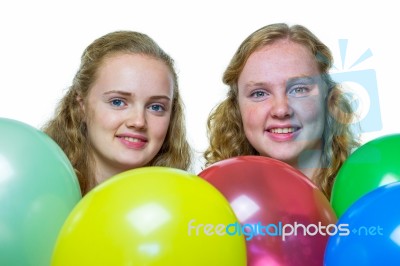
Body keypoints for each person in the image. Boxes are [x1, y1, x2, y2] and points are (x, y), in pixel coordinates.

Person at [204, 23, 359, 198]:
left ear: (328, 98)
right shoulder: (212, 198)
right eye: (259, 93)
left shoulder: (367, 189)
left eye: (299, 90)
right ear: (236, 108)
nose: (281, 109)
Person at [42, 30, 192, 195]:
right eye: (118, 102)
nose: (139, 121)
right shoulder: (39, 189)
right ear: (81, 107)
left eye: (155, 107)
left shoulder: (184, 203)